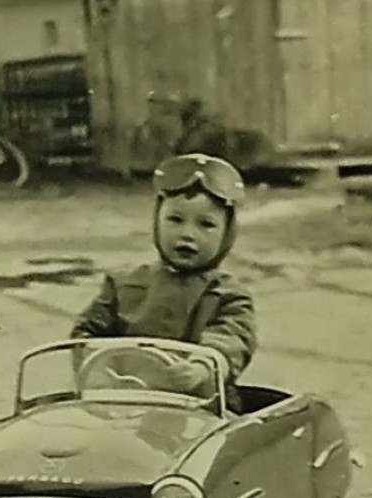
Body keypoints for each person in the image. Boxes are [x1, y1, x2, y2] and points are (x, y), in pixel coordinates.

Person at [70, 153, 256, 411]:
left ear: (227, 234)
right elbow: (86, 333)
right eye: (175, 220)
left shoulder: (229, 295)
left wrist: (203, 368)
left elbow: (232, 339)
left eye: (206, 224)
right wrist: (101, 372)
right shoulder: (123, 282)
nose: (188, 234)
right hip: (123, 404)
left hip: (199, 410)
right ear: (157, 221)